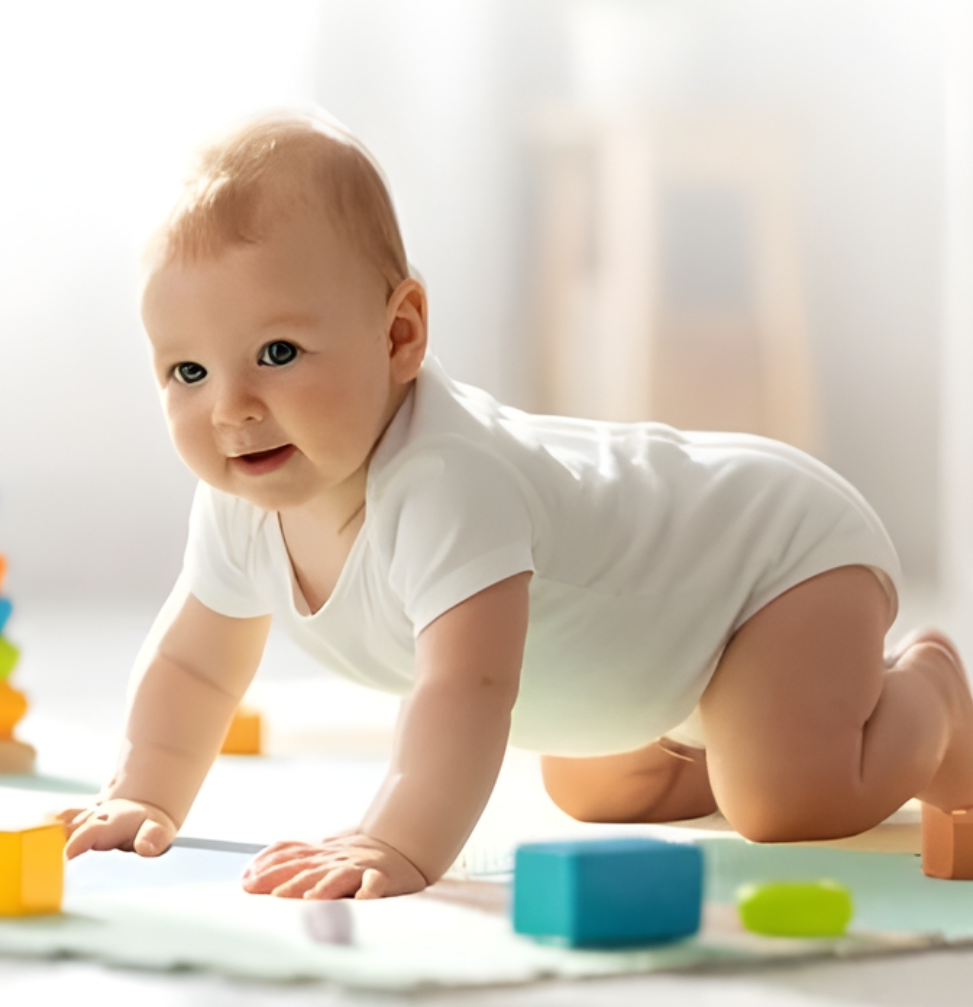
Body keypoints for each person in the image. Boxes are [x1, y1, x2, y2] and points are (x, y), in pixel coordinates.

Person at [61, 110, 973, 899]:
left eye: (279, 353)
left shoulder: (445, 483)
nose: (231, 408)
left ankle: (927, 697)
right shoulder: (244, 498)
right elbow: (194, 666)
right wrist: (143, 790)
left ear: (400, 335)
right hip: (659, 646)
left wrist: (396, 837)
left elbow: (470, 686)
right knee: (594, 786)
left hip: (774, 561)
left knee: (784, 799)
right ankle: (731, 729)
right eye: (188, 371)